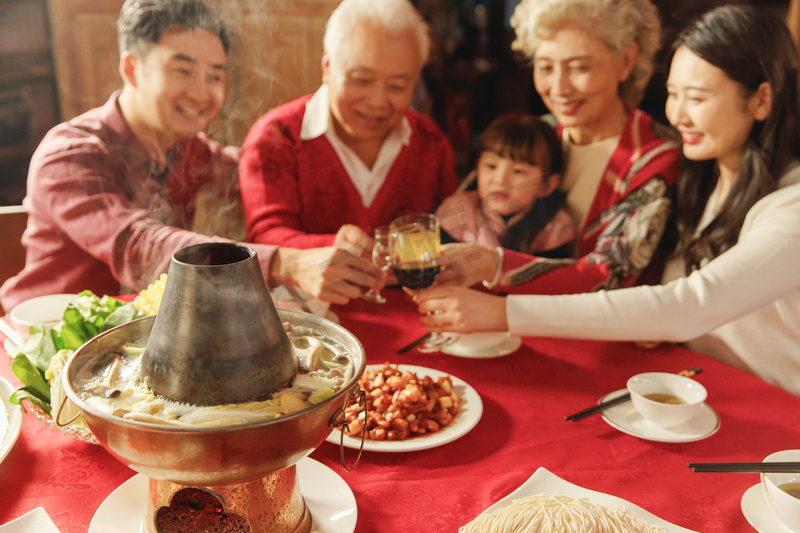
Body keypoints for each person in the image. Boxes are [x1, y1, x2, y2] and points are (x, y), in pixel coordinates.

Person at [414, 5, 800, 396]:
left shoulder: (671, 162)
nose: (678, 114)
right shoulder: (710, 175)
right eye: (672, 94)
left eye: (697, 98)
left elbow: (676, 302)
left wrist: (499, 297)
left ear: (626, 61)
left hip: (761, 402)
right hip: (674, 378)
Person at [0, 0, 383, 312]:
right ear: (132, 69)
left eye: (215, 75)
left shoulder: (189, 150)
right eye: (183, 70)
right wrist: (282, 262)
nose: (203, 94)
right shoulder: (71, 157)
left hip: (137, 337)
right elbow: (139, 246)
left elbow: (259, 174)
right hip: (40, 346)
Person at [434, 0, 681, 296]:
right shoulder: (537, 134)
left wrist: (496, 266)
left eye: (578, 67)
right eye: (546, 67)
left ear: (625, 61)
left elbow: (611, 276)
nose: (559, 87)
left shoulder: (653, 158)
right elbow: (471, 204)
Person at [237, 0, 458, 250]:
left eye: (397, 86)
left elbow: (446, 237)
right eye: (361, 80)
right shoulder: (277, 138)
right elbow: (265, 238)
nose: (377, 102)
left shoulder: (431, 143)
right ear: (327, 67)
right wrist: (332, 250)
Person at [436, 112, 574, 257]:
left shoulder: (554, 227)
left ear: (547, 185)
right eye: (491, 166)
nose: (500, 180)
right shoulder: (458, 211)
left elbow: (551, 277)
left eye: (518, 171)